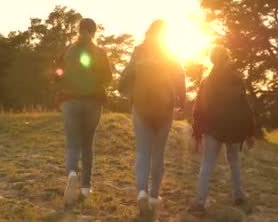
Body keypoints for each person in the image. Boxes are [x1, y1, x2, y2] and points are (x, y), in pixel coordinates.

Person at [119, 20, 186, 218]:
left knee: (142, 152)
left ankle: (141, 191)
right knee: (158, 153)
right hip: (164, 109)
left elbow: (126, 75)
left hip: (141, 107)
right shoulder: (169, 52)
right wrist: (181, 98)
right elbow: (180, 76)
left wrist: (128, 93)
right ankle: (154, 195)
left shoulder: (138, 51)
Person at [188, 46, 255, 216]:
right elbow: (245, 108)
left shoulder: (206, 81)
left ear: (212, 60)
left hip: (213, 129)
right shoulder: (237, 80)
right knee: (234, 162)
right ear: (227, 59)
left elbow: (199, 109)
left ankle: (200, 202)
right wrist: (250, 132)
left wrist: (197, 132)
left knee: (207, 165)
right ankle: (238, 196)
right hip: (233, 130)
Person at [55, 18, 112, 206]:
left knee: (72, 144)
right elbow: (108, 78)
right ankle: (86, 187)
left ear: (78, 30)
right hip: (93, 103)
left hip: (70, 102)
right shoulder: (100, 53)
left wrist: (66, 79)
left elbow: (57, 75)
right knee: (87, 145)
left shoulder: (67, 52)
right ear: (94, 32)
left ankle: (72, 173)